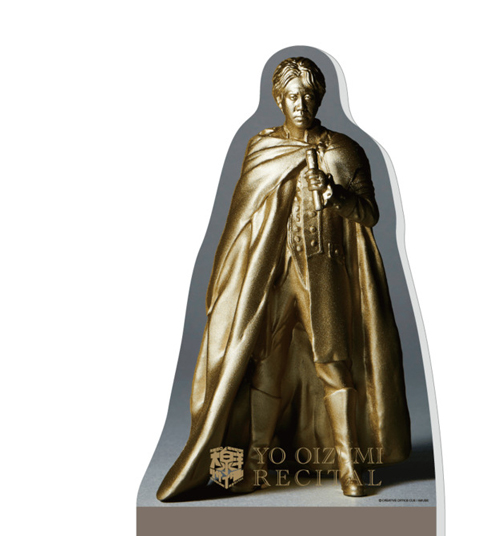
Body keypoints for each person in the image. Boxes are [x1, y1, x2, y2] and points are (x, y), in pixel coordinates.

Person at [157, 57, 411, 501]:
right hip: (273, 276)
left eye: (309, 95)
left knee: (334, 366)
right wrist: (231, 279)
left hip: (325, 274)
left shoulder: (343, 150)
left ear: (320, 98)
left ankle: (349, 466)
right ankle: (252, 465)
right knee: (264, 367)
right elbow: (240, 223)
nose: (301, 104)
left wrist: (336, 195)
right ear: (279, 99)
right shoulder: (263, 148)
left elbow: (370, 214)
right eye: (293, 95)